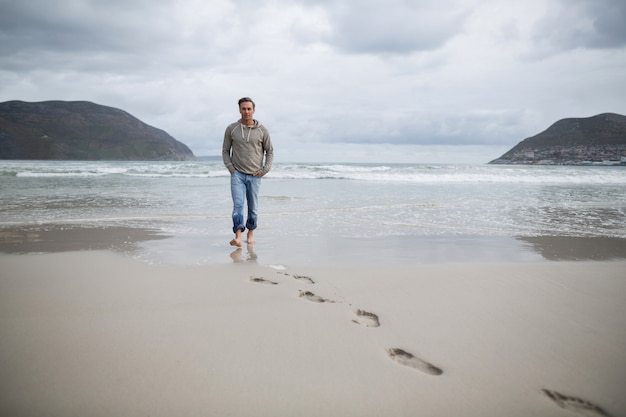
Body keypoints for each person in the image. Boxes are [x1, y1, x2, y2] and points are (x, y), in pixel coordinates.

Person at [222, 97, 274, 247]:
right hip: (237, 174)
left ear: (254, 110)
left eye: (249, 109)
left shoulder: (262, 130)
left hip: (255, 175)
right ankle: (238, 236)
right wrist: (231, 168)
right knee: (238, 205)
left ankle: (250, 234)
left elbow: (269, 151)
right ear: (239, 110)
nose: (246, 111)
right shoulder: (231, 129)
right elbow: (225, 150)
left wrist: (264, 170)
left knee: (253, 207)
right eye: (243, 109)